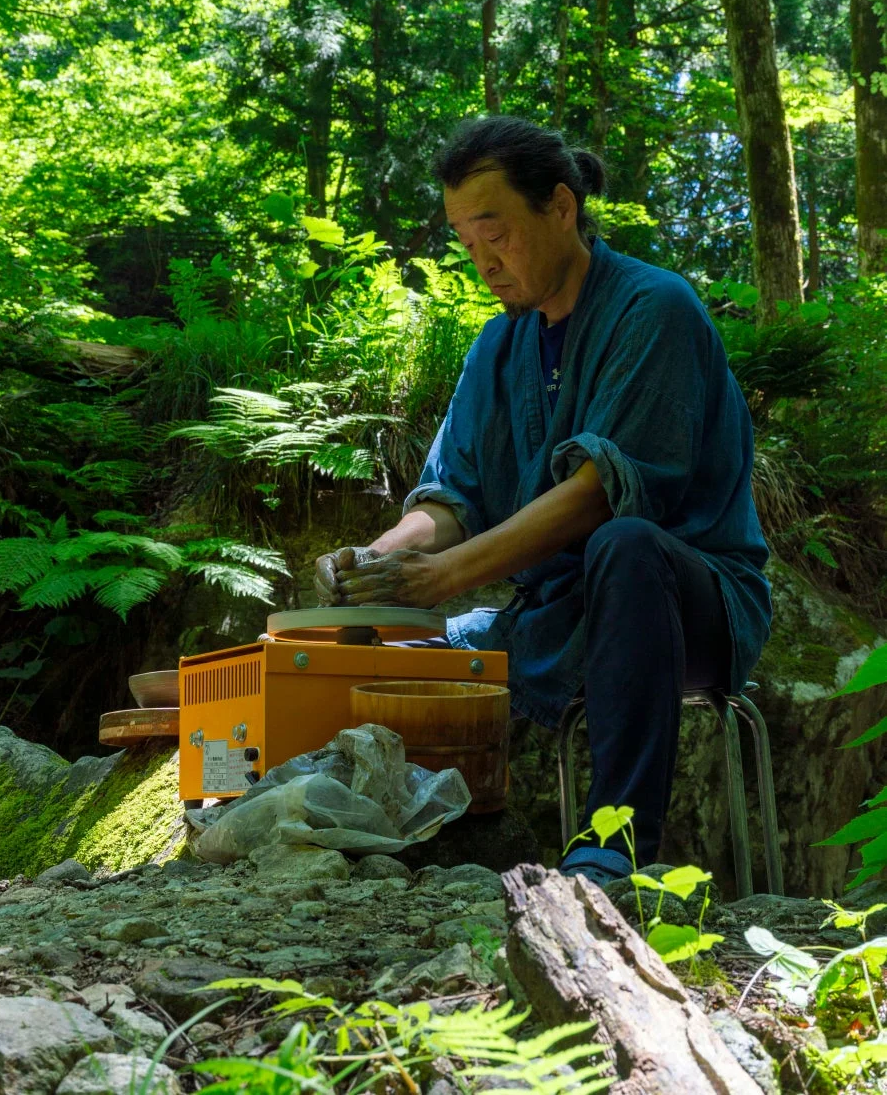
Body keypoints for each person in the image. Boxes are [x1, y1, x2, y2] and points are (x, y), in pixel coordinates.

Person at [315, 115, 772, 886]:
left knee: (622, 545)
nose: (483, 261)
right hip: (552, 619)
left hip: (686, 608)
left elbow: (600, 497)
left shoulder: (656, 308)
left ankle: (613, 849)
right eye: (465, 242)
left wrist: (442, 577)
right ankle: (376, 850)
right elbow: (452, 499)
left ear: (560, 207)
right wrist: (379, 561)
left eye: (495, 232)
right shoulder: (497, 347)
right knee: (372, 661)